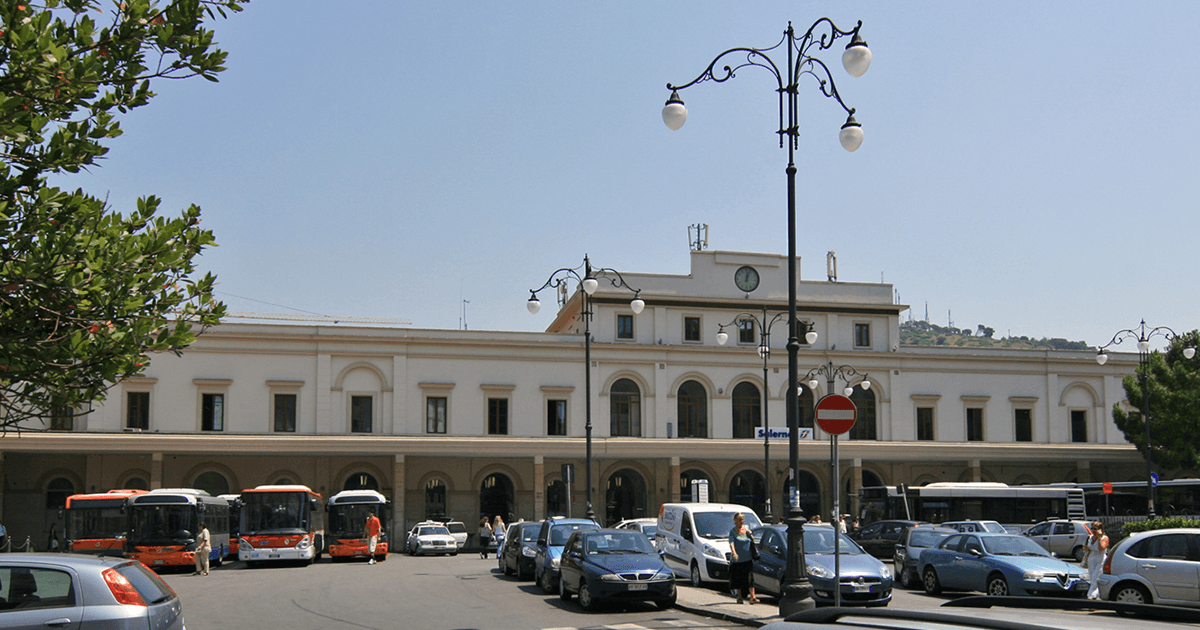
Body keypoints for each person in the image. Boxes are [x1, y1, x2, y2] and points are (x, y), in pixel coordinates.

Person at [727, 512, 758, 605]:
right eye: (739, 519)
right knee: (739, 579)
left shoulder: (747, 530)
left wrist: (750, 535)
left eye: (742, 519)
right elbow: (731, 543)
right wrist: (734, 553)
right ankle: (739, 597)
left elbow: (754, 541)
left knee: (750, 578)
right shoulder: (732, 532)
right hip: (738, 560)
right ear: (735, 520)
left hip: (748, 559)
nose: (741, 521)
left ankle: (753, 597)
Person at [1084, 521, 1109, 600]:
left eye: (1095, 528)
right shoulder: (1090, 537)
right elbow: (1088, 548)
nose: (1093, 530)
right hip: (1091, 559)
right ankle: (1094, 595)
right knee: (1092, 578)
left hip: (1100, 559)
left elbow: (1101, 548)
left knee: (1096, 578)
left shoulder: (1104, 538)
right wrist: (1086, 548)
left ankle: (1091, 596)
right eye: (1092, 528)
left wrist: (1099, 538)